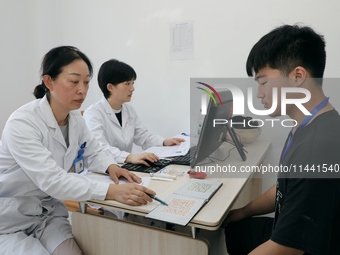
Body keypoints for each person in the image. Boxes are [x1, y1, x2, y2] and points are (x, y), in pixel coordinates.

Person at [0, 46, 156, 255]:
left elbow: (94, 151)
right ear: (49, 82)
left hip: (47, 216)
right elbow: (52, 180)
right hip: (10, 220)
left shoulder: (75, 119)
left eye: (86, 82)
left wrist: (111, 166)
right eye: (74, 82)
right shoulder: (23, 123)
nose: (82, 89)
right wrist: (110, 192)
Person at [224, 25, 340, 254]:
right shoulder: (307, 123)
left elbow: (286, 248)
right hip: (294, 230)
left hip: (306, 246)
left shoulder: (317, 148)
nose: (259, 93)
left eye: (263, 82)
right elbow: (286, 187)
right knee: (235, 226)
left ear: (298, 76)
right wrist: (243, 211)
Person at [83, 59, 184, 167]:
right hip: (103, 171)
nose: (132, 88)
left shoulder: (129, 110)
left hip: (125, 166)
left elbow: (143, 136)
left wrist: (165, 141)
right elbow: (100, 148)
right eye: (127, 84)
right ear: (110, 87)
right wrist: (130, 157)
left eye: (132, 83)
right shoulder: (93, 113)